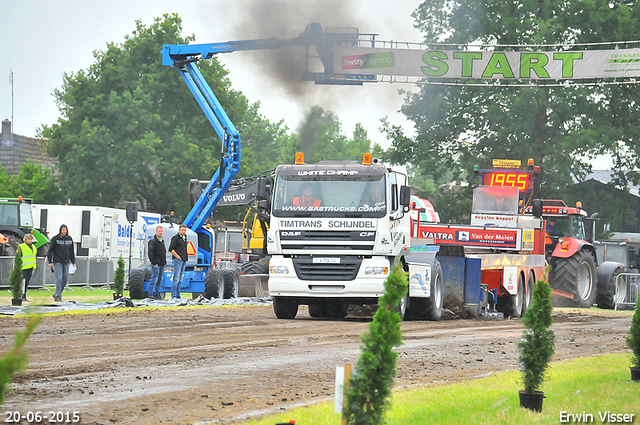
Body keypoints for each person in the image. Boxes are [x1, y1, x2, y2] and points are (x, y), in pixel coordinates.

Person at [47, 224, 76, 302]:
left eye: (65, 230)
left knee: (65, 279)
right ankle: (58, 296)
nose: (64, 231)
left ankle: (57, 293)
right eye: (63, 229)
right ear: (60, 230)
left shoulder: (69, 239)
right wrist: (50, 261)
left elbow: (71, 251)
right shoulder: (55, 239)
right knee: (59, 279)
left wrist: (73, 261)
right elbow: (50, 251)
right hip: (58, 261)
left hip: (66, 261)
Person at [169, 224, 189, 300]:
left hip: (184, 259)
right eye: (182, 230)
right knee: (176, 278)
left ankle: (178, 294)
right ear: (179, 230)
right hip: (178, 260)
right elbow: (171, 249)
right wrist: (178, 257)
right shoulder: (175, 238)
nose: (183, 232)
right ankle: (173, 295)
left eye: (185, 230)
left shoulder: (185, 238)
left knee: (180, 279)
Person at [147, 225, 167, 299]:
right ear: (156, 231)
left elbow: (163, 252)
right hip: (156, 263)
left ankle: (157, 293)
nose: (160, 233)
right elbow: (151, 253)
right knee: (154, 279)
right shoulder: (152, 241)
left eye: (161, 231)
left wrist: (164, 261)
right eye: (159, 231)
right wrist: (154, 262)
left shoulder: (162, 241)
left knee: (160, 279)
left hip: (162, 263)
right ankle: (150, 294)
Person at [18, 234, 37, 302]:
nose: (30, 240)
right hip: (23, 267)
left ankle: (24, 295)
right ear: (25, 239)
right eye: (28, 239)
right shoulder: (21, 246)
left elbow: (34, 257)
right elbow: (18, 257)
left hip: (30, 267)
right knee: (23, 282)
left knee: (27, 282)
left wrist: (36, 265)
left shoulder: (34, 247)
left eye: (31, 239)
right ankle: (22, 296)